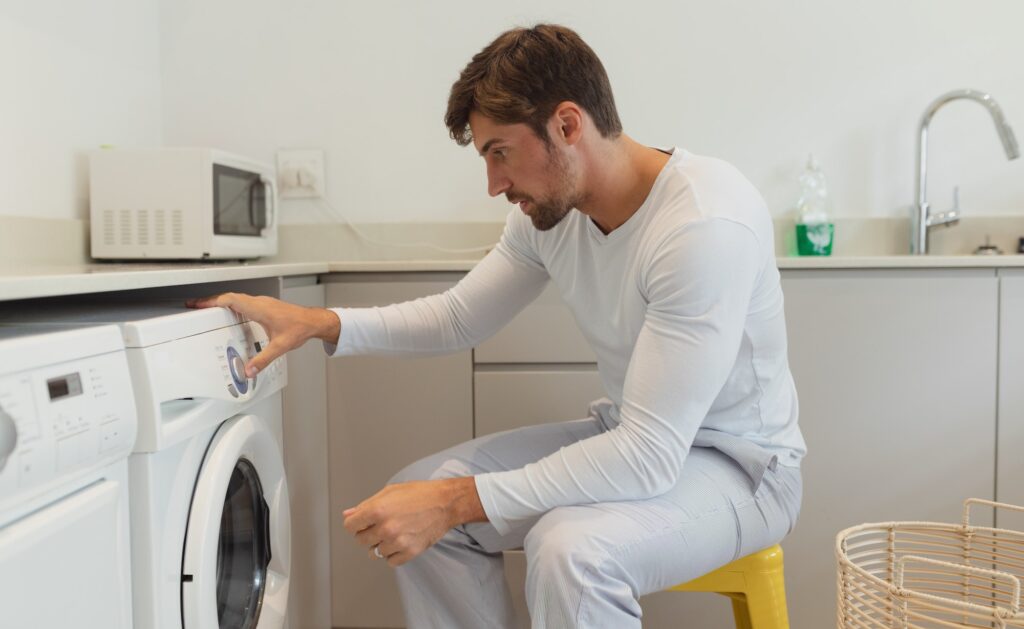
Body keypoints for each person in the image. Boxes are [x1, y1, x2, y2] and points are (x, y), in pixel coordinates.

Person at [190, 23, 805, 629]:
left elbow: (648, 458)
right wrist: (320, 323)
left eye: (499, 153)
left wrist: (458, 502)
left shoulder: (702, 227)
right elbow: (458, 317)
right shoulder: (553, 217)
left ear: (567, 125)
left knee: (571, 551)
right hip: (632, 436)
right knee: (418, 495)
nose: (494, 185)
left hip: (741, 467)